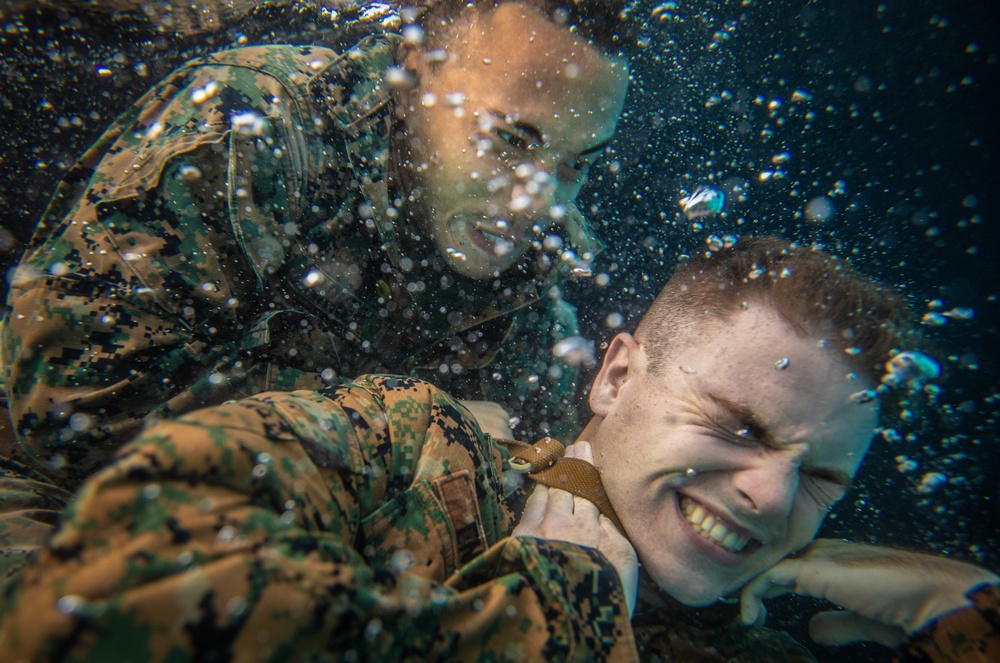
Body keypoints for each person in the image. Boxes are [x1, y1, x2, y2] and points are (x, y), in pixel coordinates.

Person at [1, 236, 995, 662]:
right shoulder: (415, 448)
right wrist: (546, 615)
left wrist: (936, 602)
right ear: (612, 378)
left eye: (820, 479)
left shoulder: (756, 644)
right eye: (736, 426)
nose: (774, 496)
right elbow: (104, 596)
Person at [0, 1, 631, 584]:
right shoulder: (252, 125)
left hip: (314, 559)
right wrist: (395, 434)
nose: (541, 201)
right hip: (60, 503)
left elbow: (536, 483)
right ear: (412, 71)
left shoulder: (544, 270)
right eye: (511, 140)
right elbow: (67, 406)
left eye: (578, 162)